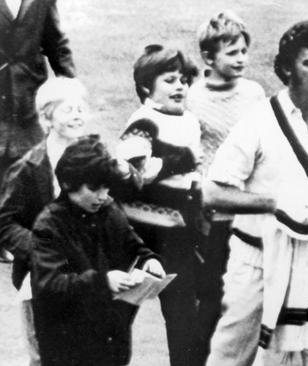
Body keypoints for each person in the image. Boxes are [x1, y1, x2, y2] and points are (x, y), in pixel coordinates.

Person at [203, 20, 308, 366]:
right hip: (257, 260)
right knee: (231, 359)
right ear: (287, 68)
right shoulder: (258, 121)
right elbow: (212, 193)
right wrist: (273, 203)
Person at [30, 135, 165, 366]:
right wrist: (102, 282)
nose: (102, 196)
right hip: (68, 346)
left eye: (106, 188)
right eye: (93, 189)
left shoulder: (109, 209)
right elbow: (49, 284)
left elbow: (134, 245)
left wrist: (149, 260)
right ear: (67, 184)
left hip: (112, 337)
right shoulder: (49, 225)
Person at [186, 12, 265, 364]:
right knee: (213, 297)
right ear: (208, 58)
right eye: (232, 53)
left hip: (248, 211)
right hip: (212, 214)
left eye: (244, 51)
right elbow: (191, 154)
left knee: (247, 298)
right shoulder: (193, 97)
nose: (241, 60)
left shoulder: (254, 93)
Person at [120, 44, 202, 366]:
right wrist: (177, 160)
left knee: (183, 314)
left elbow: (195, 174)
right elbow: (136, 172)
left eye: (183, 79)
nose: (179, 86)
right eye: (169, 80)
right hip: (139, 229)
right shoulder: (144, 120)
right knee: (121, 307)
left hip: (177, 227)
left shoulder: (190, 122)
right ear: (146, 87)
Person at [0, 77, 88, 366]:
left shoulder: (96, 160)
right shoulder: (29, 167)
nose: (77, 114)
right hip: (41, 277)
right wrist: (39, 248)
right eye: (68, 109)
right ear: (47, 118)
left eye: (81, 108)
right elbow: (5, 222)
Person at [0, 0, 76, 262]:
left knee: (30, 162)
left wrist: (69, 85)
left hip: (29, 93)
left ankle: (32, 235)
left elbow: (56, 42)